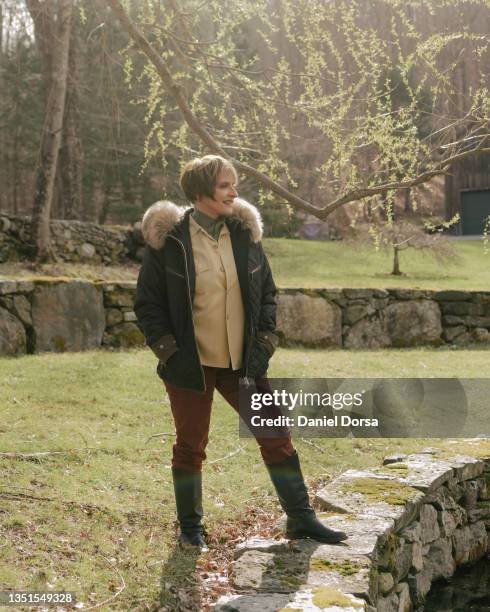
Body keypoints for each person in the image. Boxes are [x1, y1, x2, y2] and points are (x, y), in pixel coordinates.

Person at [134, 155, 347, 551]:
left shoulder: (244, 236)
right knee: (190, 446)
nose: (234, 192)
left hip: (243, 363)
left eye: (234, 185)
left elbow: (267, 293)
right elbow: (148, 305)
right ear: (200, 192)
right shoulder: (171, 242)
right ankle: (191, 529)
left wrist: (265, 342)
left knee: (275, 434)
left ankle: (301, 518)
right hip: (189, 365)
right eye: (224, 186)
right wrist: (169, 352)